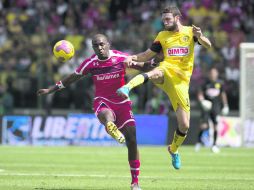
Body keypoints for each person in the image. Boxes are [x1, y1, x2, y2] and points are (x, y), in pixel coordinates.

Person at [37, 34, 143, 190]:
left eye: (101, 44)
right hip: (102, 100)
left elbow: (142, 65)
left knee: (132, 140)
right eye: (96, 45)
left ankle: (135, 182)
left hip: (122, 102)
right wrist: (51, 89)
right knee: (106, 115)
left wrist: (157, 63)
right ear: (93, 48)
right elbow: (72, 78)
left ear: (108, 44)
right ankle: (110, 126)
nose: (99, 48)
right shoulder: (91, 63)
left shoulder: (121, 57)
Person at [117, 6, 211, 170]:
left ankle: (173, 150)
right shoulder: (162, 36)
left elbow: (208, 45)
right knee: (157, 71)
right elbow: (148, 54)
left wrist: (200, 36)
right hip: (166, 70)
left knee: (184, 125)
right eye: (163, 20)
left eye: (168, 19)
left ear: (177, 17)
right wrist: (132, 57)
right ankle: (127, 88)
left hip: (181, 83)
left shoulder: (190, 32)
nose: (165, 22)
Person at [195, 67, 229, 153]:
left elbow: (223, 94)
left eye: (214, 73)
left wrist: (225, 105)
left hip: (215, 107)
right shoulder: (205, 84)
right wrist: (202, 101)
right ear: (209, 74)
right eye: (211, 73)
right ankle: (198, 143)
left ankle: (214, 145)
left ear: (217, 74)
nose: (213, 75)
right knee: (204, 126)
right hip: (206, 108)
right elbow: (200, 93)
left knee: (216, 126)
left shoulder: (220, 83)